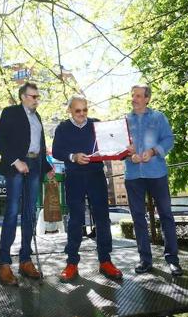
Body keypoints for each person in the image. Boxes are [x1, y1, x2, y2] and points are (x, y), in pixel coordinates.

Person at [52, 96, 122, 282]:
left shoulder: (97, 125)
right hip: (74, 178)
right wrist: (73, 156)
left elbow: (111, 145)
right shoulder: (62, 128)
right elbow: (57, 151)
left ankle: (105, 261)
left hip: (96, 176)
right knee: (75, 220)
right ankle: (72, 263)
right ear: (70, 111)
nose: (82, 114)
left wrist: (122, 147)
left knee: (102, 218)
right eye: (78, 111)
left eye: (85, 110)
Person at [0, 82, 54, 286]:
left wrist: (47, 167)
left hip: (35, 166)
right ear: (22, 96)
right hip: (16, 166)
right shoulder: (11, 112)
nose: (37, 100)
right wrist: (16, 160)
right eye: (33, 96)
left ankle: (25, 261)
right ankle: (4, 264)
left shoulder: (37, 117)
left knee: (29, 212)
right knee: (11, 213)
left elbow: (39, 146)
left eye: (38, 96)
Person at [125, 84, 183, 276]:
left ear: (147, 99)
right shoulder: (124, 121)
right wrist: (128, 155)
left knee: (166, 215)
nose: (134, 99)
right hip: (133, 176)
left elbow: (169, 140)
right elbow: (119, 147)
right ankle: (145, 260)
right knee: (138, 218)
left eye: (139, 96)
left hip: (157, 173)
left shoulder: (158, 118)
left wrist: (153, 151)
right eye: (133, 95)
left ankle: (173, 260)